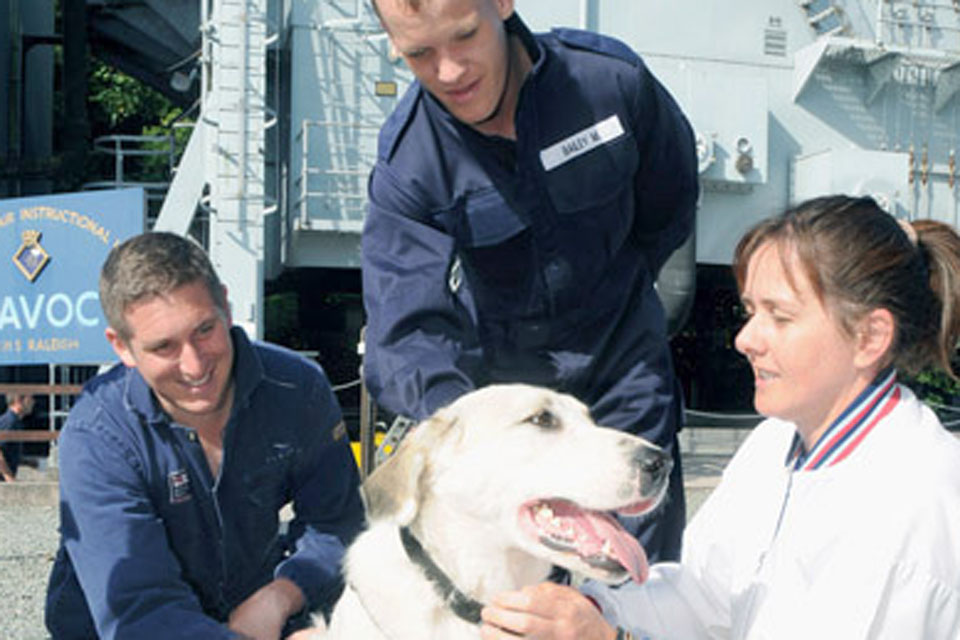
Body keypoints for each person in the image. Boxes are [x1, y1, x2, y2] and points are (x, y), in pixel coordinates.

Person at [479, 195, 960, 638]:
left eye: (781, 316)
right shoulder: (777, 444)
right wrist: (590, 610)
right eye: (751, 311)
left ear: (869, 337)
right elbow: (703, 596)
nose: (746, 339)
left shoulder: (911, 503)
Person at [361, 0, 698, 562]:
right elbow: (405, 328)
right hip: (507, 384)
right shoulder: (410, 163)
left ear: (502, 3)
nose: (450, 71)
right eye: (420, 53)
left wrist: (622, 292)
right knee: (516, 590)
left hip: (623, 362)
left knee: (639, 573)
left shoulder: (610, 86)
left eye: (465, 36)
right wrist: (471, 430)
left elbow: (670, 201)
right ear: (395, 45)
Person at [44, 232, 365, 640]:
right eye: (163, 346)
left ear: (226, 307)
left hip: (256, 616)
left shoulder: (298, 389)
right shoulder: (97, 435)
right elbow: (139, 610)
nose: (194, 366)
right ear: (121, 346)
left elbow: (337, 522)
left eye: (204, 330)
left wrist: (284, 594)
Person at [0, 392, 35, 481]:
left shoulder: (15, 422)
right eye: (30, 399)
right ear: (18, 400)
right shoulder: (10, 422)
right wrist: (9, 478)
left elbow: (7, 452)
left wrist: (26, 462)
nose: (33, 402)